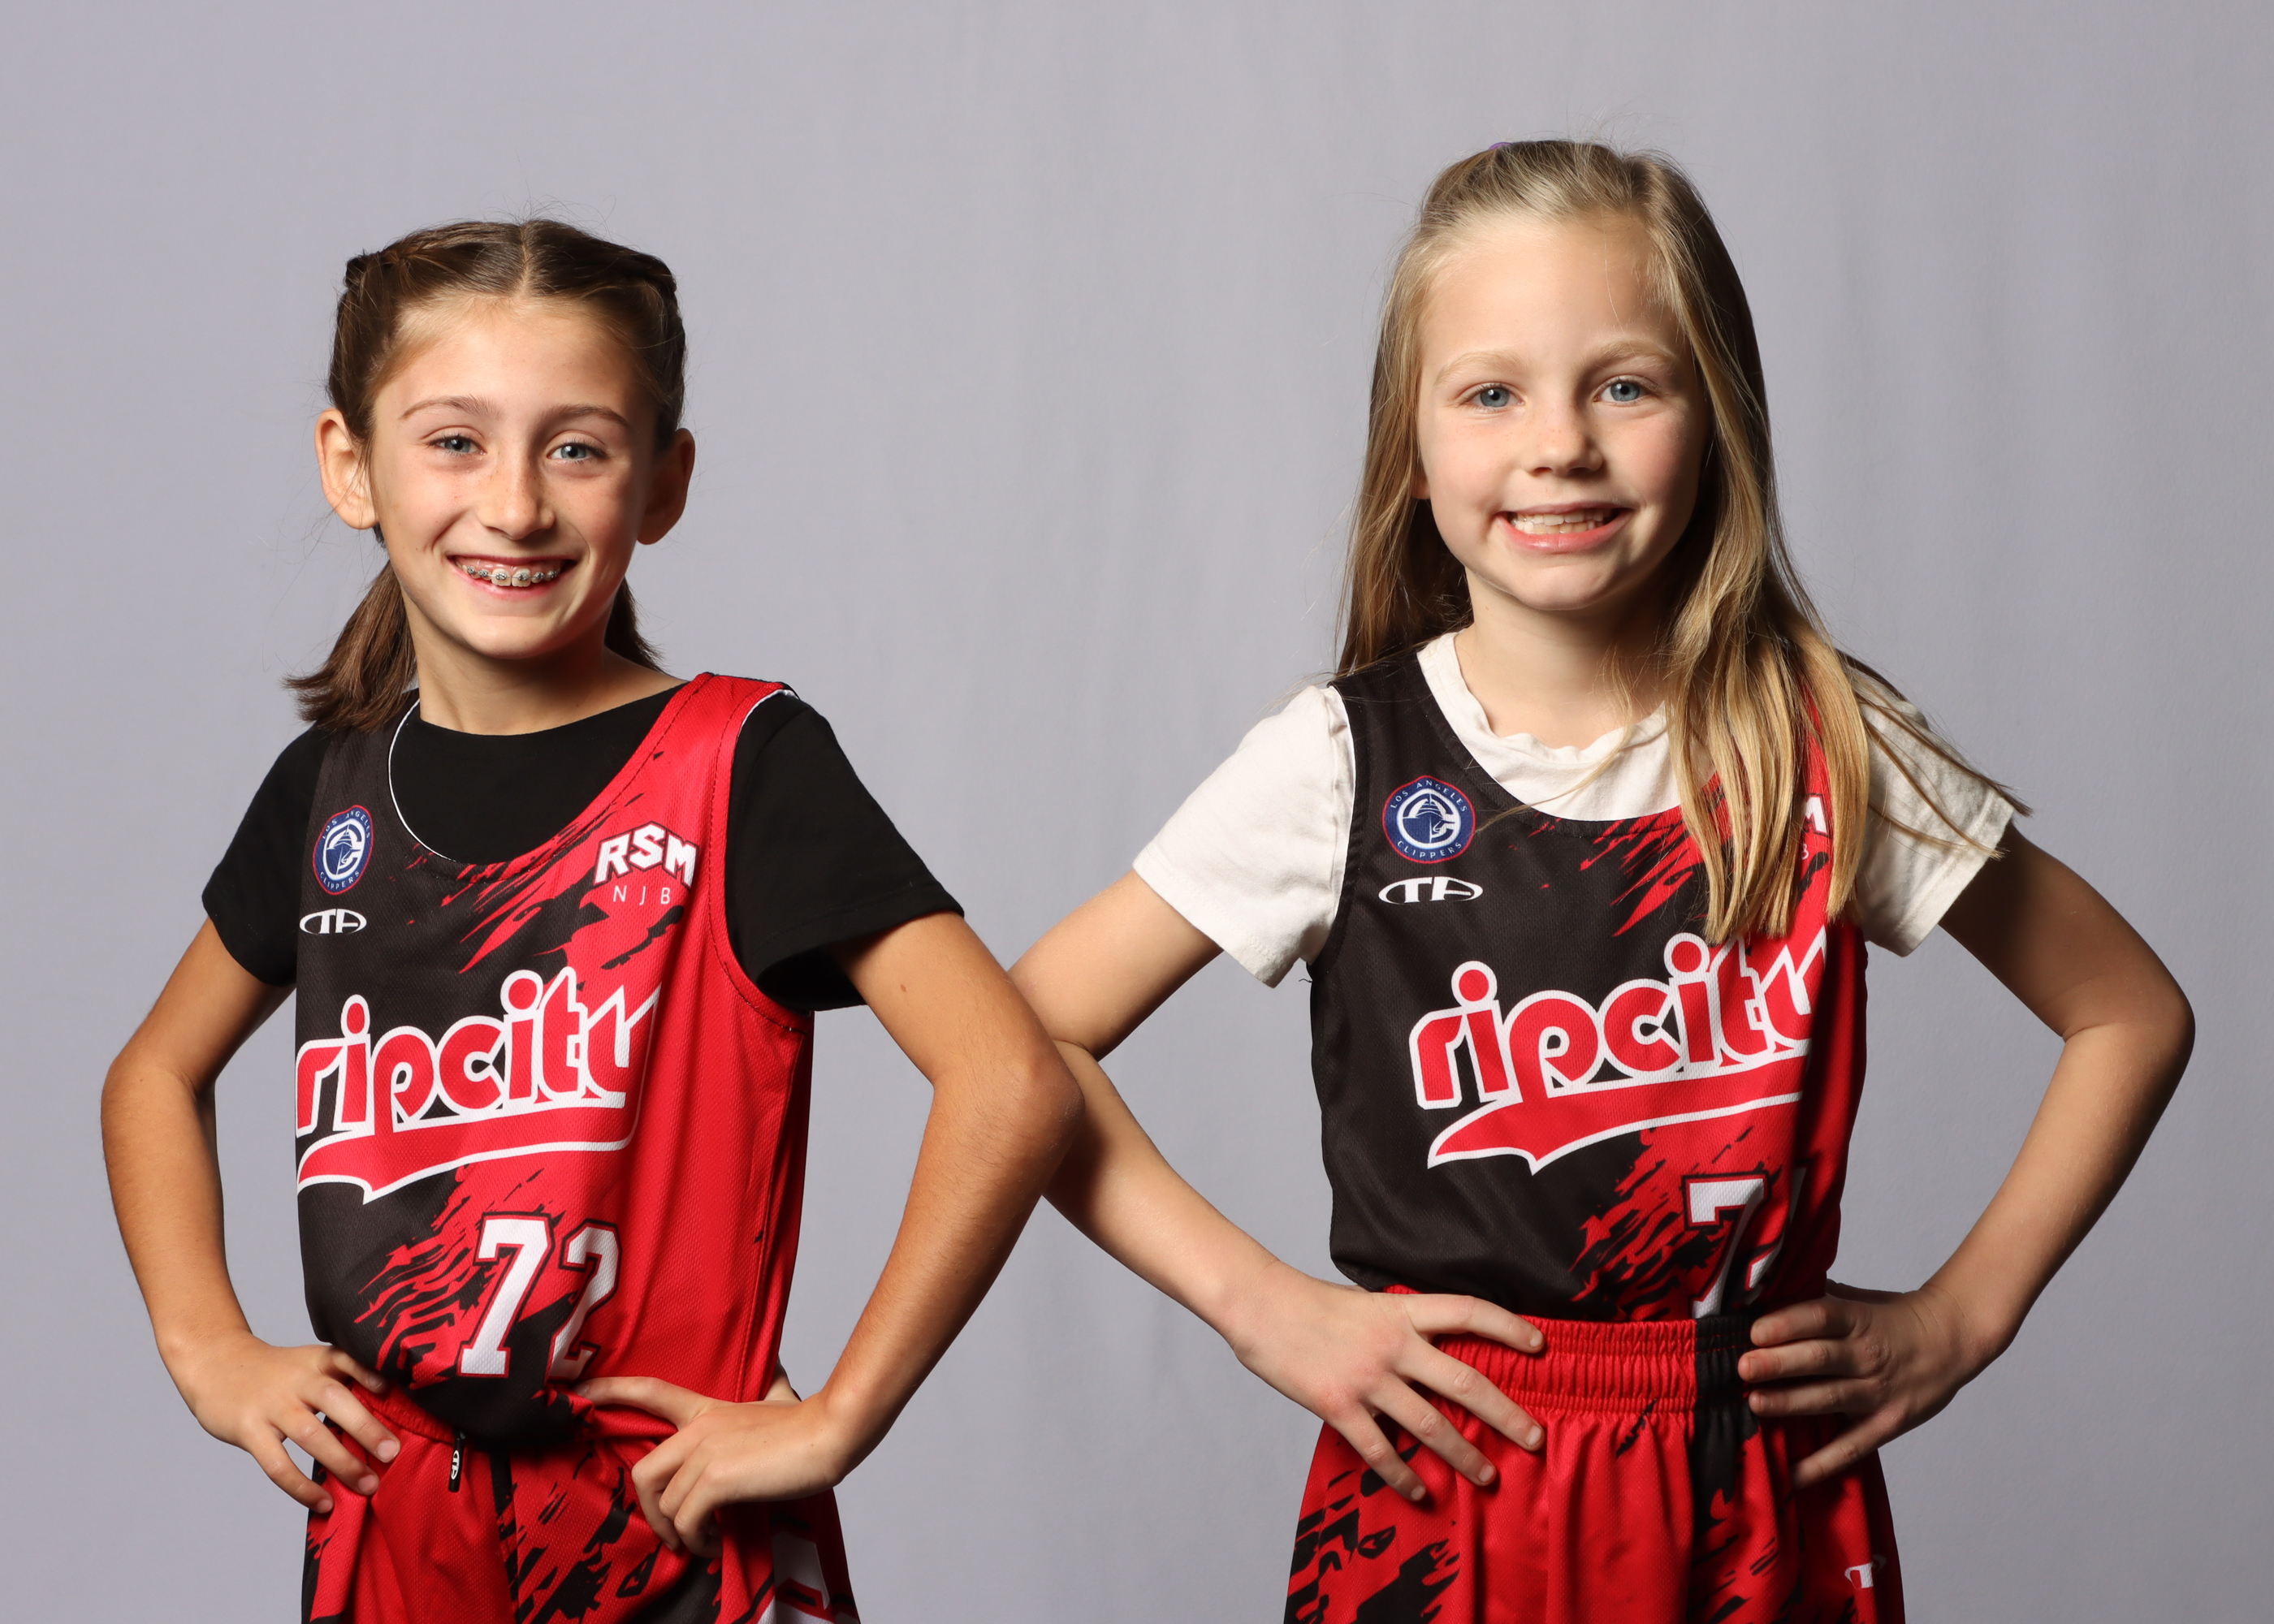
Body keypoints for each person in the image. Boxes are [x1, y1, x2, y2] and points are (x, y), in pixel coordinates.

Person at [1009, 140, 2192, 1623]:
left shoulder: (1821, 744)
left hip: (1752, 1476)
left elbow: (2128, 1012)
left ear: (1719, 422)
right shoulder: (1342, 764)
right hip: (1454, 1477)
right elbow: (1019, 1045)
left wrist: (1968, 1314)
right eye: (1490, 394)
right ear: (1410, 447)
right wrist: (1263, 1310)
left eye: (1625, 385)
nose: (1559, 444)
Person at [101, 218, 1080, 1624]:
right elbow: (151, 1072)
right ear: (349, 465)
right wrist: (207, 1347)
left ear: (663, 483)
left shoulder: (740, 765)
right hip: (403, 1518)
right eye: (454, 442)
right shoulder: (329, 793)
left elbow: (1012, 1078)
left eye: (576, 448)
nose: (513, 506)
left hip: (670, 1519)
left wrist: (843, 1414)